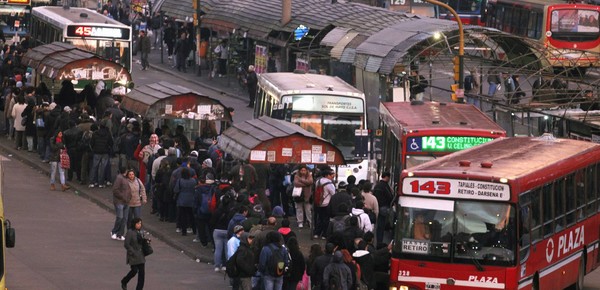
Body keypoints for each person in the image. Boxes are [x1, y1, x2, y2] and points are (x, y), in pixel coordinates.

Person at [121, 217, 146, 290]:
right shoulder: (130, 232)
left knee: (142, 274)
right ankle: (124, 281)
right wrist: (132, 251)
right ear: (134, 224)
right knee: (134, 270)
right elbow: (126, 244)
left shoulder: (141, 232)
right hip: (133, 255)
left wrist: (146, 242)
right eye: (138, 223)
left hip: (141, 255)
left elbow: (142, 242)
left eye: (140, 223)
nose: (139, 225)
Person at [174, 167, 197, 237]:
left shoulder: (180, 181)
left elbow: (176, 190)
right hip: (191, 200)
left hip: (182, 200)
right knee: (191, 216)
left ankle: (184, 231)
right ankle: (194, 230)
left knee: (183, 216)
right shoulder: (193, 181)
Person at [313, 169, 336, 240]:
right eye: (331, 174)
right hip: (326, 203)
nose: (333, 176)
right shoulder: (329, 184)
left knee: (319, 218)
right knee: (326, 219)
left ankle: (317, 233)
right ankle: (324, 234)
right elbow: (333, 194)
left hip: (318, 203)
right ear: (327, 175)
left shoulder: (318, 181)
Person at [373, 172, 394, 245]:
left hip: (377, 207)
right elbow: (390, 197)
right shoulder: (385, 186)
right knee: (381, 225)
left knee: (378, 225)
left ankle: (377, 240)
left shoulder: (377, 185)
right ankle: (380, 242)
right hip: (384, 207)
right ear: (387, 177)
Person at [112, 166, 131, 241]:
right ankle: (114, 231)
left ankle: (120, 234)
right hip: (120, 202)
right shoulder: (119, 178)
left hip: (126, 201)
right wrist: (123, 197)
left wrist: (129, 197)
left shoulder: (125, 179)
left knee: (124, 218)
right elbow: (115, 190)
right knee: (120, 217)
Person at [293, 164, 313, 228]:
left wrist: (301, 180)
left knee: (308, 210)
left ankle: (310, 222)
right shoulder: (296, 175)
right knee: (299, 209)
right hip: (298, 195)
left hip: (307, 195)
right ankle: (300, 222)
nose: (303, 171)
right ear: (300, 170)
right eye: (302, 170)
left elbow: (310, 182)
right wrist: (306, 184)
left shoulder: (309, 175)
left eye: (304, 170)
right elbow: (296, 183)